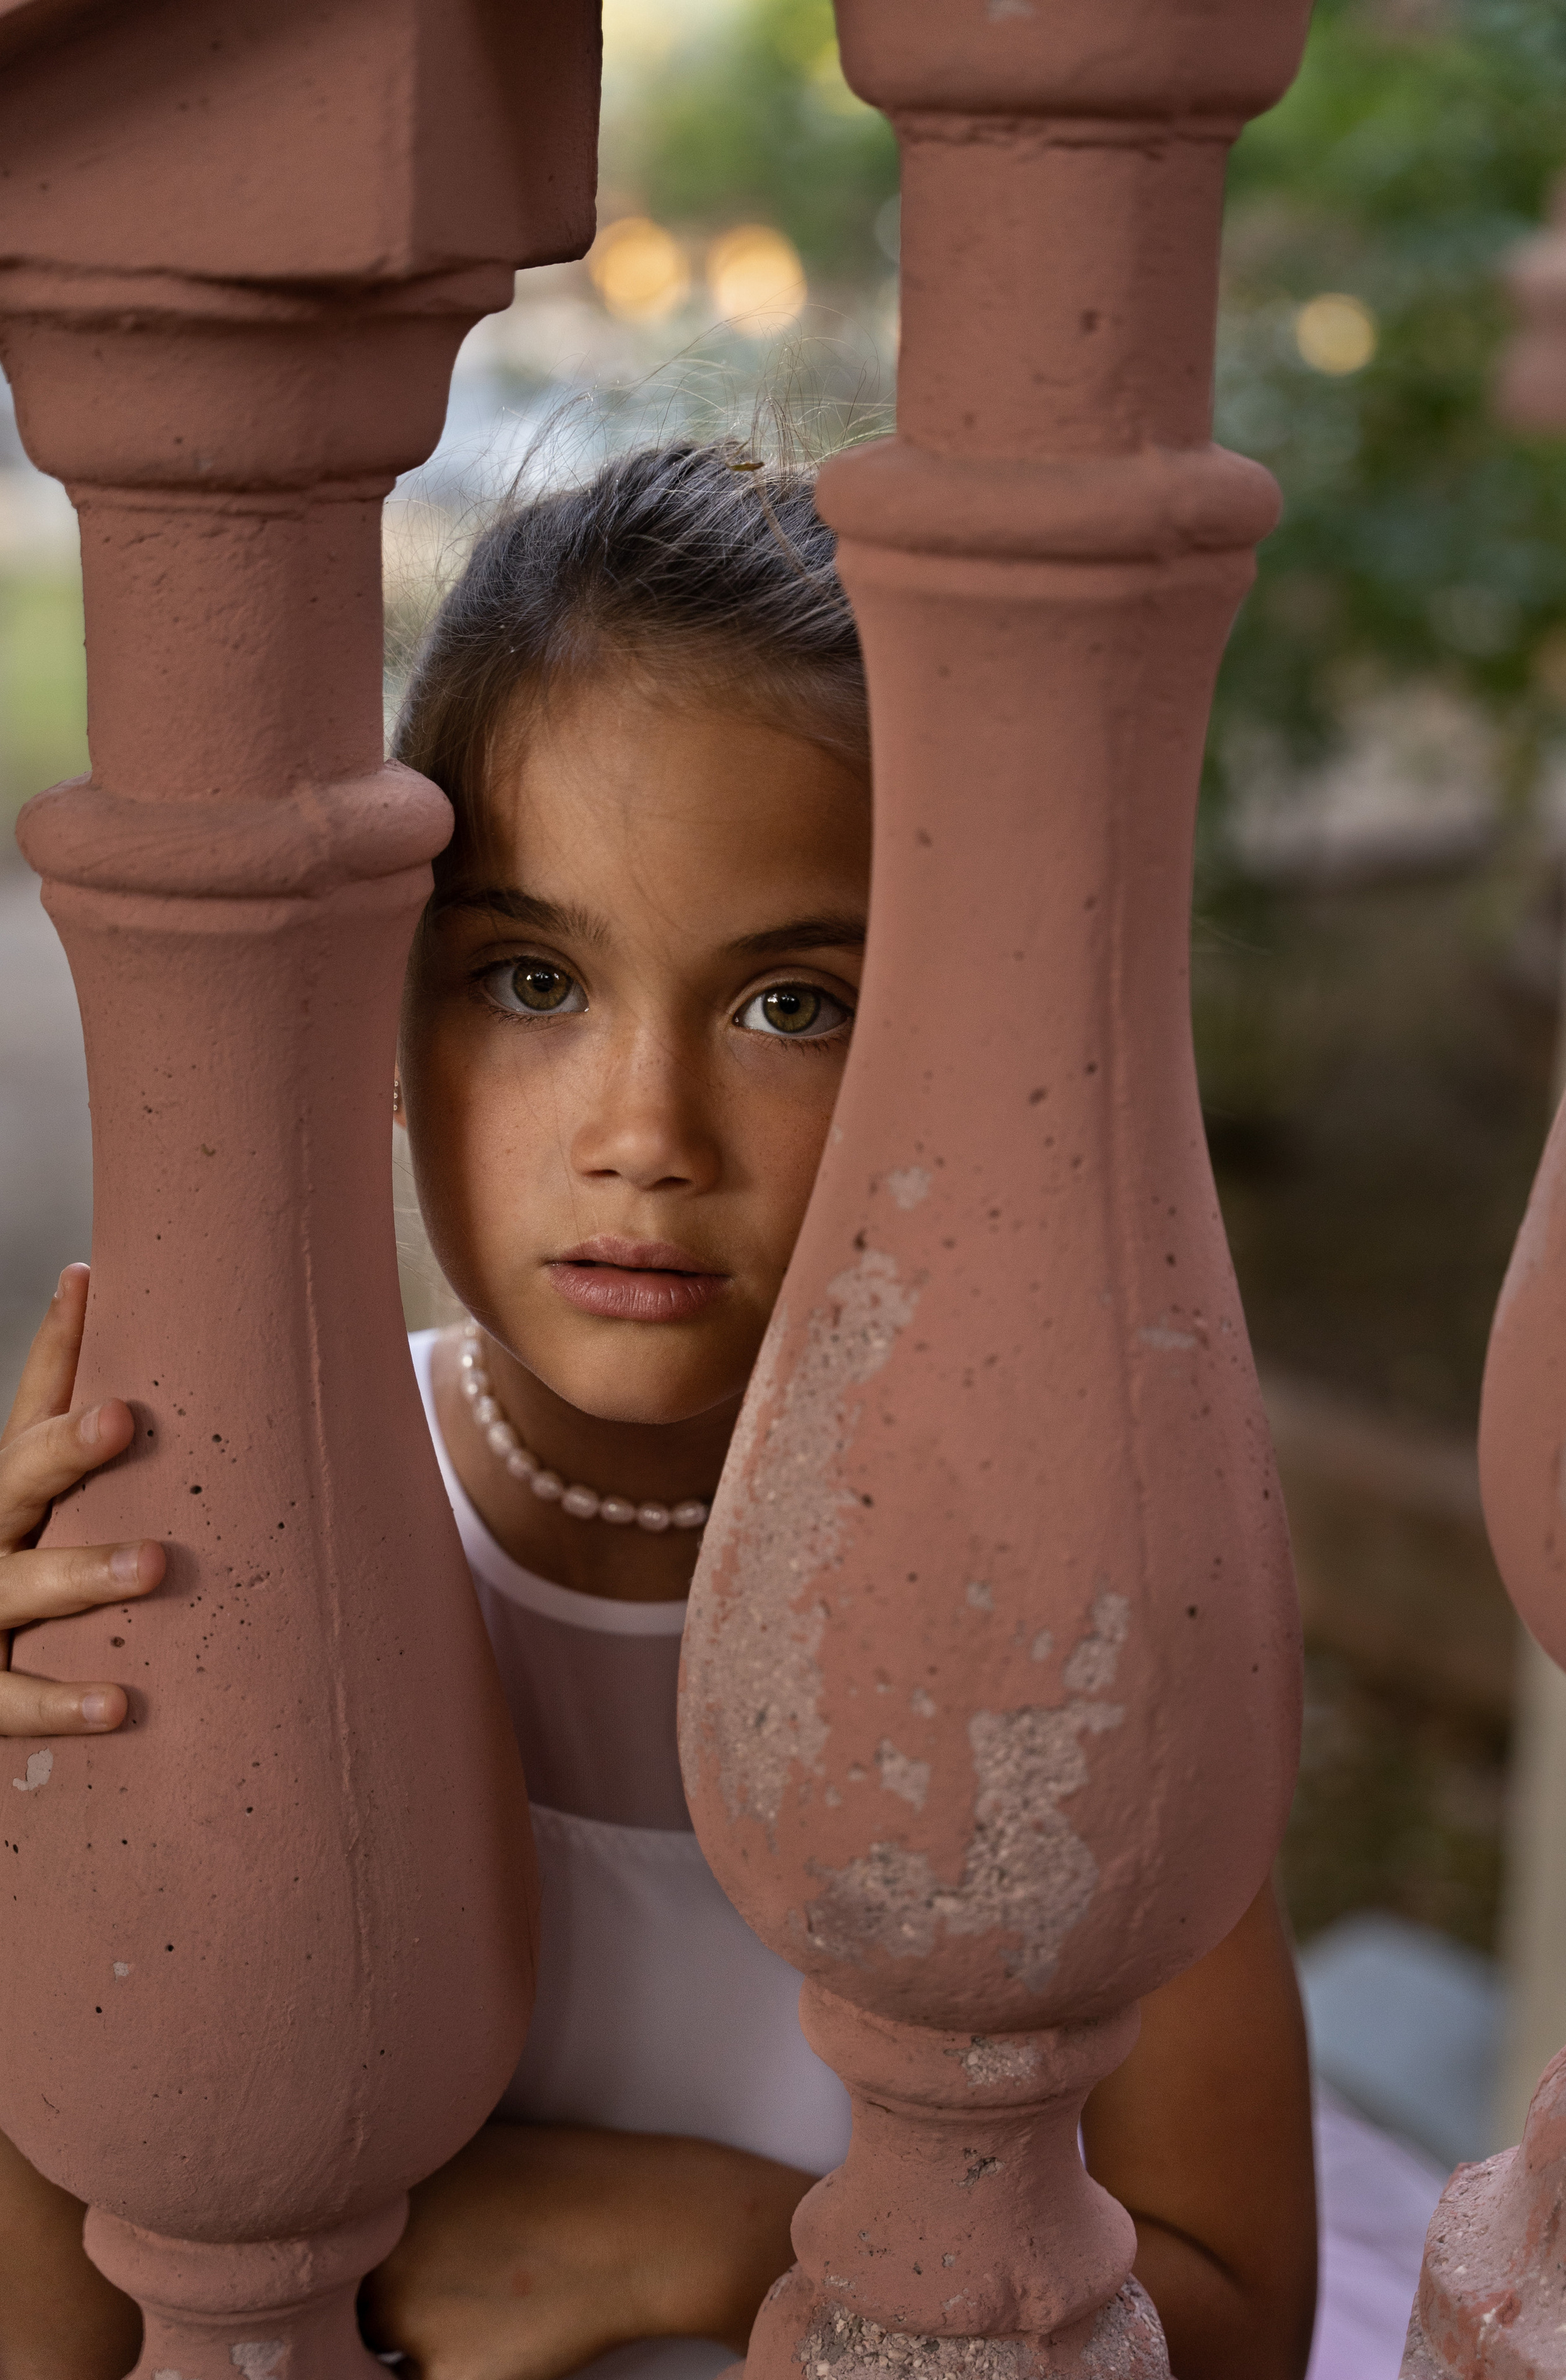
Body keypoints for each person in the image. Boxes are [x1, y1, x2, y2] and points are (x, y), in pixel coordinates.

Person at [0, 443, 1317, 2380]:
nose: (644, 1141)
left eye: (791, 1004)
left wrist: (717, 2244)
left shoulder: (1058, 1607)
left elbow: (1232, 2319)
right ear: (386, 1012)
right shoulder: (217, 1558)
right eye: (531, 979)